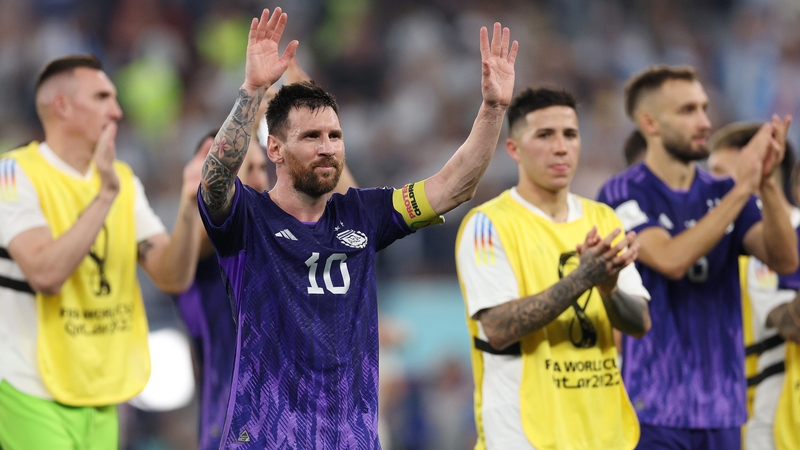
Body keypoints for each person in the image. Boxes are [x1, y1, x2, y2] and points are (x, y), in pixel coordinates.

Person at [197, 8, 518, 449]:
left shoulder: (363, 213)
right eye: (311, 137)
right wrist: (253, 90)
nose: (327, 148)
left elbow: (452, 188)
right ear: (274, 148)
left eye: (335, 136)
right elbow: (214, 181)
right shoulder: (247, 220)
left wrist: (494, 109)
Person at [0, 54, 203, 449]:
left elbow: (172, 275)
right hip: (28, 386)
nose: (118, 109)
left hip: (99, 389)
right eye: (102, 96)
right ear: (63, 106)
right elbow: (45, 273)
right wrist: (105, 196)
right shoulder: (13, 174)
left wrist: (191, 203)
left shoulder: (122, 179)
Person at [597, 65, 798, 449]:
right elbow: (672, 259)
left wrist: (768, 183)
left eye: (705, 108)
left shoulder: (722, 190)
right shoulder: (623, 192)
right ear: (650, 123)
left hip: (723, 409)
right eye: (688, 110)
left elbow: (785, 260)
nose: (705, 121)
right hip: (654, 408)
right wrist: (743, 189)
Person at [455, 87, 651, 449]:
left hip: (602, 434)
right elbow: (497, 328)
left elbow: (639, 322)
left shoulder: (602, 219)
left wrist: (608, 288)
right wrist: (583, 278)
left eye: (570, 135)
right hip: (522, 435)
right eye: (545, 135)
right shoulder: (488, 224)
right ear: (513, 149)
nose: (561, 147)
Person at [176, 59, 358, 450]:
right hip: (233, 418)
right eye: (248, 167)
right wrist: (256, 103)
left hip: (296, 418)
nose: (259, 177)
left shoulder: (279, 231)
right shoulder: (218, 230)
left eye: (263, 165)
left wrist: (307, 113)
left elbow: (345, 204)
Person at [706, 122, 799, 450]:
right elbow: (791, 323)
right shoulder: (755, 251)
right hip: (766, 414)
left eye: (720, 172)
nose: (708, 184)